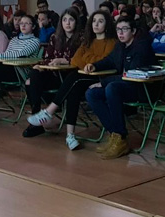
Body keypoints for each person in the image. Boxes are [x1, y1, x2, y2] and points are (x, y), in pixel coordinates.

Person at [25, 11, 117, 150]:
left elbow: (103, 61)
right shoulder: (88, 41)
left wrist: (88, 60)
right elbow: (76, 60)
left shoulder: (111, 42)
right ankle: (70, 136)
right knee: (73, 89)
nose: (96, 24)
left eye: (100, 21)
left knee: (73, 78)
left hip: (100, 77)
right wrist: (88, 60)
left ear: (107, 24)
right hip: (83, 75)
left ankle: (49, 112)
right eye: (94, 21)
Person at [83, 18, 156, 160]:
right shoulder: (119, 46)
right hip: (124, 87)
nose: (120, 33)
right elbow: (110, 60)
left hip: (142, 89)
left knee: (111, 88)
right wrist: (94, 65)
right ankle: (115, 135)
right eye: (118, 29)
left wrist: (103, 83)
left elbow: (132, 75)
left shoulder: (142, 46)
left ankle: (121, 135)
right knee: (92, 93)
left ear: (133, 31)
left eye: (124, 29)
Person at [22, 7, 83, 138]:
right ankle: (36, 117)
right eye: (65, 20)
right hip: (55, 75)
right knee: (33, 76)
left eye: (71, 20)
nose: (67, 23)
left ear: (76, 22)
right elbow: (47, 57)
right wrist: (40, 66)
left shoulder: (82, 38)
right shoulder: (55, 37)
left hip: (71, 77)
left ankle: (47, 113)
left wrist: (64, 60)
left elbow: (81, 60)